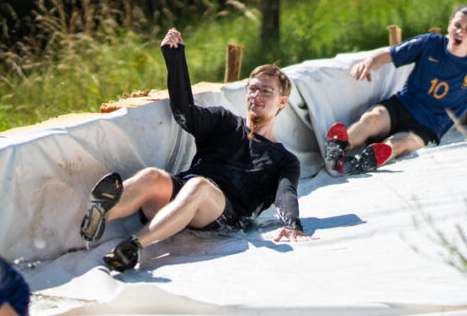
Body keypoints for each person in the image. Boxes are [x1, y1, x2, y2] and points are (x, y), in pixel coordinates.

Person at [80, 27, 313, 271]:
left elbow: (286, 194)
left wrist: (292, 225)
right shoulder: (224, 121)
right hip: (182, 199)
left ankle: (135, 245)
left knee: (199, 186)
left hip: (224, 216)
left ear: (282, 101)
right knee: (153, 176)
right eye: (253, 89)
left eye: (266, 91)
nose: (257, 95)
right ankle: (101, 215)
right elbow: (184, 114)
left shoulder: (284, 160)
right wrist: (175, 57)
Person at [325, 4, 467, 173]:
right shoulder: (429, 44)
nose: (460, 32)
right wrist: (369, 62)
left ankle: (367, 161)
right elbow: (390, 54)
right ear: (449, 26)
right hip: (402, 106)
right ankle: (338, 148)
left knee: (400, 143)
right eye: (457, 25)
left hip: (428, 127)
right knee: (372, 118)